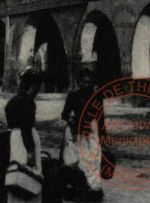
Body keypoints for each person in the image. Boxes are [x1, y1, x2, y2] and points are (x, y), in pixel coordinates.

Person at [0, 70, 43, 203]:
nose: (38, 89)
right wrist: (30, 150)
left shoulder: (12, 101)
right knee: (27, 171)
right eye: (38, 86)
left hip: (13, 137)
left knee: (15, 170)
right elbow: (26, 127)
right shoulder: (29, 102)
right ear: (33, 86)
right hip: (24, 138)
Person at [59, 68, 105, 202]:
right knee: (74, 159)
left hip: (91, 130)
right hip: (75, 131)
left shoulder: (97, 97)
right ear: (80, 82)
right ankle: (74, 188)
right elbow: (64, 114)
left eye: (89, 82)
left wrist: (103, 135)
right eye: (84, 82)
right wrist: (70, 119)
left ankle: (92, 189)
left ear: (93, 83)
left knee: (93, 158)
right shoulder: (73, 96)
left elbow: (101, 118)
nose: (87, 85)